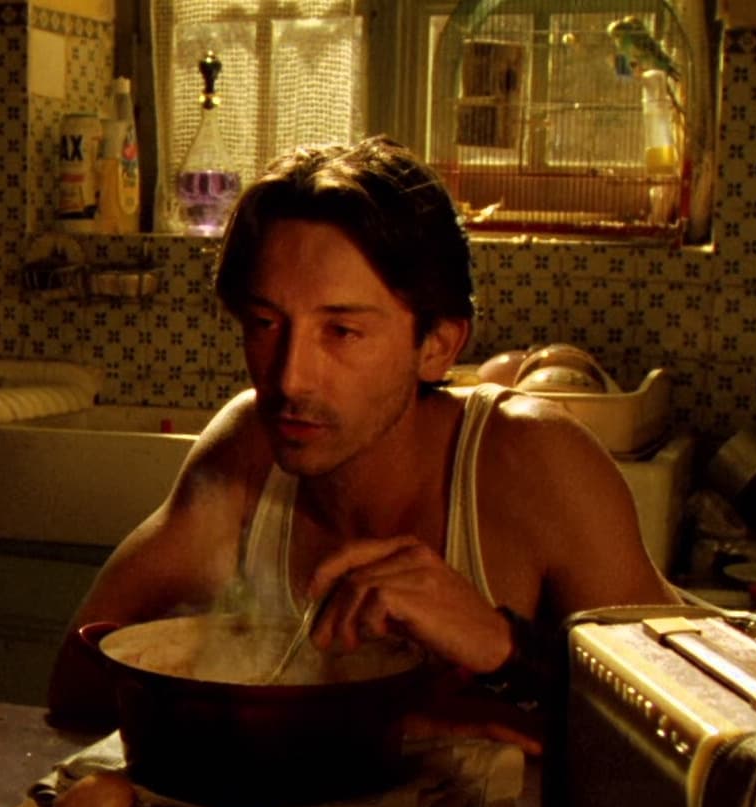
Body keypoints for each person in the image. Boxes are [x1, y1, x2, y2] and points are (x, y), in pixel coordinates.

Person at [47, 136, 675, 746]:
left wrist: (507, 649)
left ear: (437, 346)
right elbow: (76, 682)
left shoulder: (536, 461)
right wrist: (375, 729)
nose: (289, 379)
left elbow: (700, 727)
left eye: (342, 331)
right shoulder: (246, 452)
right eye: (265, 323)